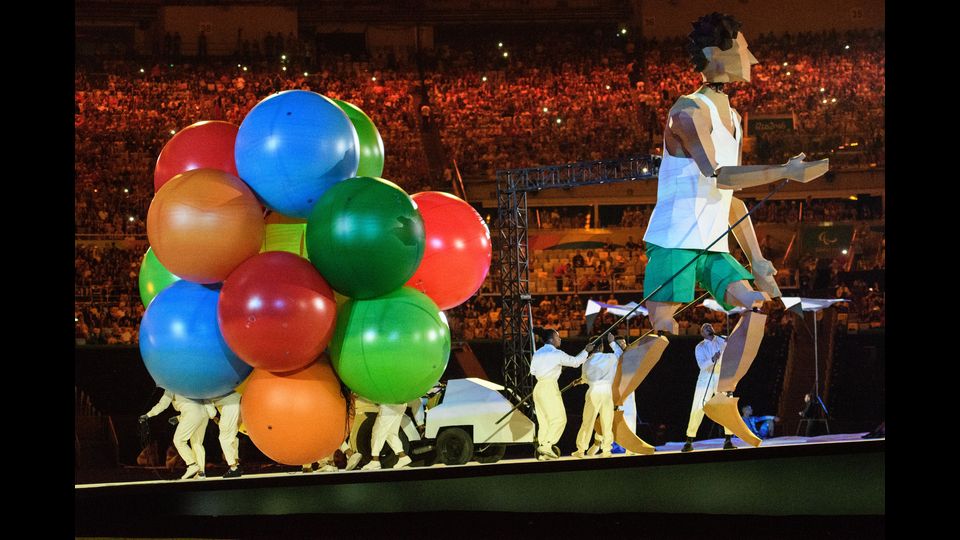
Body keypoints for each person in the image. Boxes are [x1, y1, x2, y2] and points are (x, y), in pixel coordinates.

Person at [624, 12, 829, 447]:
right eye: (742, 49)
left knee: (756, 306)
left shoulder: (733, 115)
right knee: (664, 331)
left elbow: (732, 199)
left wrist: (756, 258)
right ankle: (614, 403)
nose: (751, 58)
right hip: (676, 238)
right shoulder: (686, 112)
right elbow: (721, 176)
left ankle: (723, 396)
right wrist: (783, 171)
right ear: (716, 54)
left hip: (714, 242)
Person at [530, 327, 593, 460]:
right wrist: (586, 351)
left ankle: (543, 452)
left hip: (538, 387)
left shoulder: (537, 353)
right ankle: (547, 446)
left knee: (544, 421)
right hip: (549, 387)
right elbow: (575, 363)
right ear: (552, 340)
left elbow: (533, 371)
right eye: (558, 337)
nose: (560, 339)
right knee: (559, 419)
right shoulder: (556, 353)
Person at [139, 388, 215, 479]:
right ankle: (201, 473)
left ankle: (192, 464)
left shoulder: (171, 386)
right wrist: (179, 418)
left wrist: (148, 415)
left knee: (179, 440)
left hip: (192, 414)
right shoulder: (191, 384)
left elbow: (163, 404)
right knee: (197, 443)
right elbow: (195, 405)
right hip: (203, 414)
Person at [682, 323, 734, 452]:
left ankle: (728, 439)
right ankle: (689, 440)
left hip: (721, 377)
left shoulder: (723, 340)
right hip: (705, 379)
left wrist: (731, 343)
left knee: (726, 406)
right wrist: (713, 359)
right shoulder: (700, 347)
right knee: (698, 407)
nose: (709, 328)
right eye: (705, 328)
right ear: (702, 333)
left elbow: (734, 354)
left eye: (710, 327)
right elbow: (702, 365)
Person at [574, 333, 623, 458]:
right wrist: (612, 342)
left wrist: (580, 381)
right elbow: (621, 354)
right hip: (606, 392)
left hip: (593, 391)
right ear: (601, 346)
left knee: (587, 422)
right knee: (607, 421)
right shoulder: (610, 357)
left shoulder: (586, 362)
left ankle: (580, 450)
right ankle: (606, 450)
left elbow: (585, 378)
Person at [360, 403, 413, 470]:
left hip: (388, 405)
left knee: (378, 432)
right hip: (400, 404)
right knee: (390, 433)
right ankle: (403, 457)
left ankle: (375, 460)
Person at [208, 390, 242, 478]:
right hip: (239, 400)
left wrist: (212, 417)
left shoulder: (202, 392)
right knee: (232, 436)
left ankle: (233, 468)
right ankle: (237, 464)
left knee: (224, 439)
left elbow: (212, 413)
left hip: (230, 406)